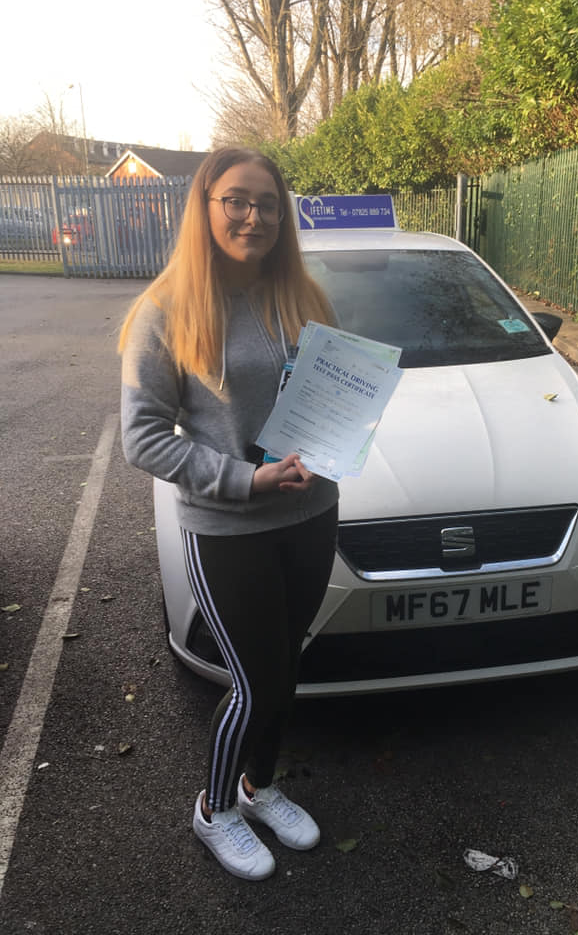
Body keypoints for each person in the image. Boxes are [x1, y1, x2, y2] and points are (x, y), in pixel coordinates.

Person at [118, 147, 339, 880]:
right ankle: (215, 809)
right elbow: (143, 438)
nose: (254, 216)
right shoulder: (165, 310)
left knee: (287, 666)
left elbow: (334, 395)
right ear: (205, 207)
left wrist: (347, 433)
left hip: (311, 516)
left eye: (268, 203)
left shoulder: (304, 296)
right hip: (229, 528)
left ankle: (258, 787)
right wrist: (247, 480)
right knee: (256, 683)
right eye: (237, 200)